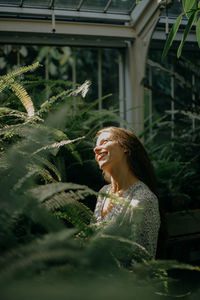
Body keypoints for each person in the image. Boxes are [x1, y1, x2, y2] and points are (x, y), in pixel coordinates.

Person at [92, 126, 160, 264]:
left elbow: (143, 262)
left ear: (125, 147)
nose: (96, 149)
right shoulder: (104, 193)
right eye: (95, 146)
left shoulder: (143, 199)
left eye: (104, 142)